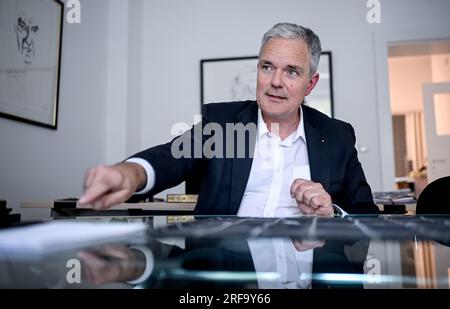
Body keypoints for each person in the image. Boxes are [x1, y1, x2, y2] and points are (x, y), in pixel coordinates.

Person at [79, 23, 378, 216]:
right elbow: (171, 156)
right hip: (225, 268)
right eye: (267, 67)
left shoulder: (338, 136)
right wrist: (130, 174)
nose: (275, 81)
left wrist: (334, 212)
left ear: (310, 84)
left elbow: (366, 213)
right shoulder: (223, 123)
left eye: (291, 72)